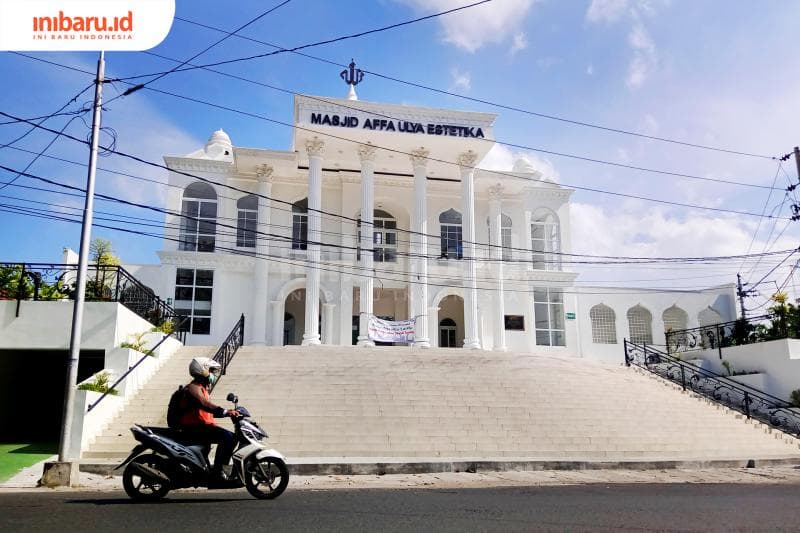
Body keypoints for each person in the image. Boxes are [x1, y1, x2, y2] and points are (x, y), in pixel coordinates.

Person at [178, 356, 240, 486]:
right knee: (228, 437)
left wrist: (226, 413)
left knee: (225, 439)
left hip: (201, 426)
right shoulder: (193, 387)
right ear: (202, 370)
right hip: (194, 427)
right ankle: (218, 473)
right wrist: (225, 412)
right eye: (211, 371)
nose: (212, 374)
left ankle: (211, 473)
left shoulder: (201, 388)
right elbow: (205, 404)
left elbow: (205, 410)